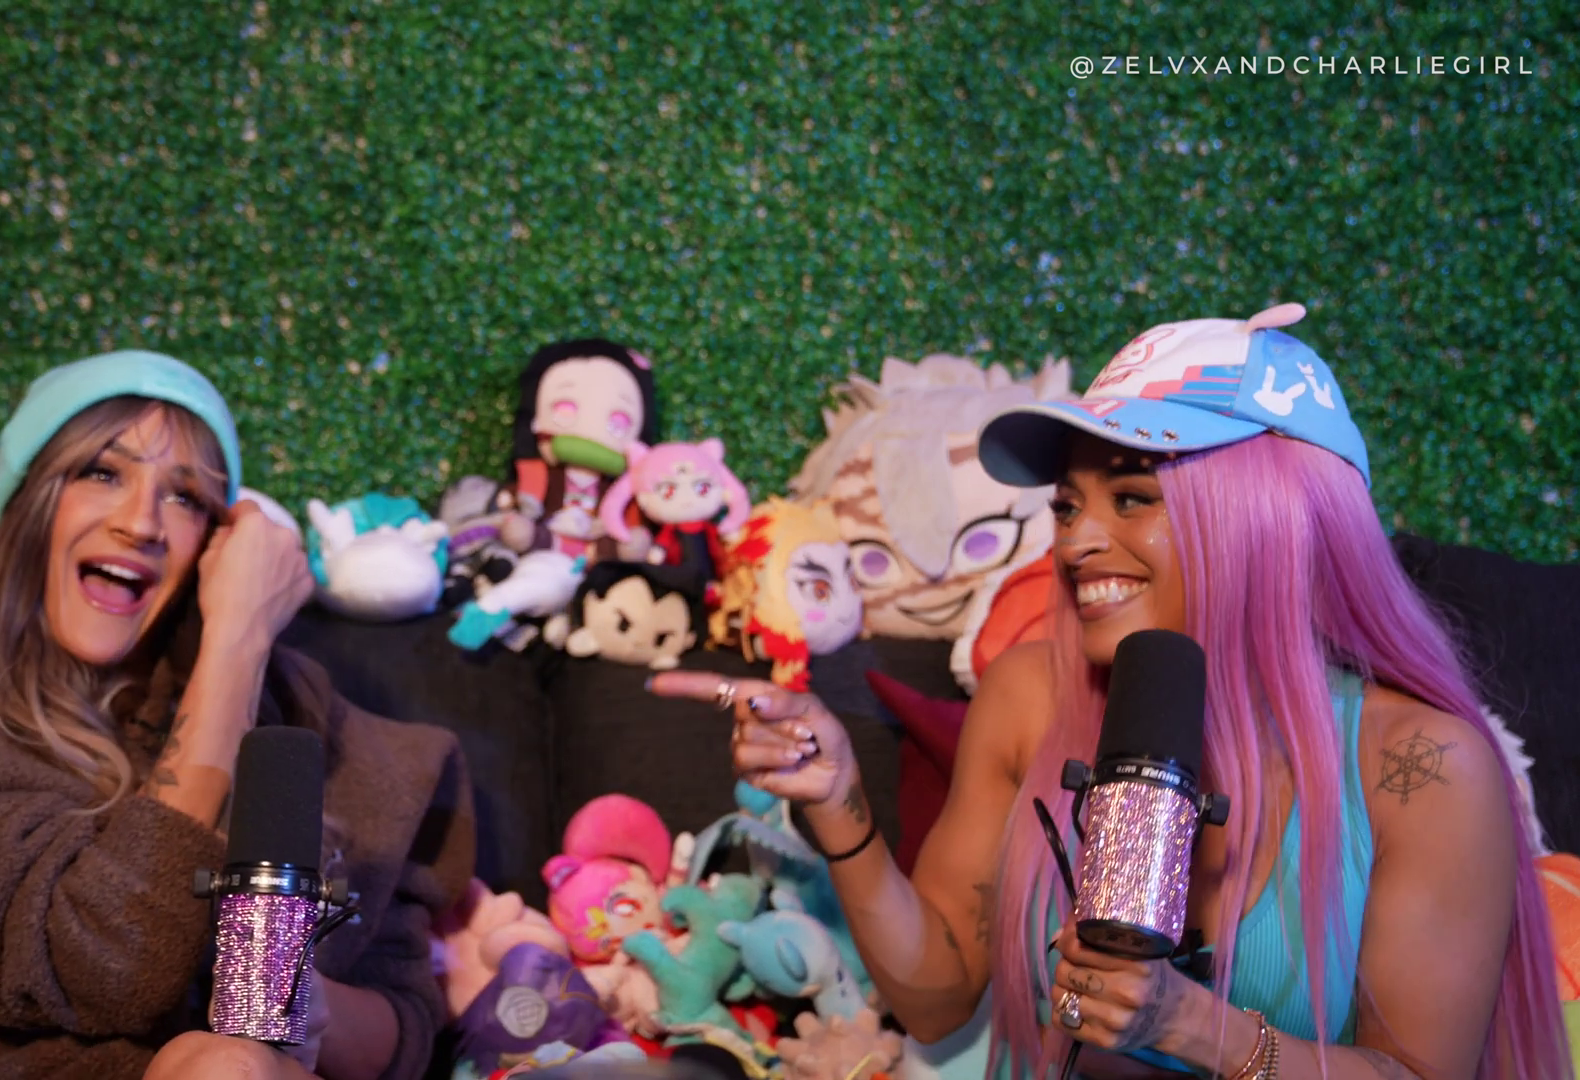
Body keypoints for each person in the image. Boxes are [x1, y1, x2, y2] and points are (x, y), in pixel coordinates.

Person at [650, 304, 1571, 1079]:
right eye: (1066, 504)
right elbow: (934, 998)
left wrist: (1193, 1026)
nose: (1075, 541)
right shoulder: (1030, 695)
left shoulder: (1423, 766)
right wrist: (838, 803)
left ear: (1267, 519)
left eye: (1131, 497)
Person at [0, 351, 476, 1080]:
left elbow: (403, 1031)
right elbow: (109, 960)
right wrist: (237, 642)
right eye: (102, 473)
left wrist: (289, 994)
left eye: (185, 497)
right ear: (26, 507)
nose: (142, 523)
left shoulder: (314, 734)